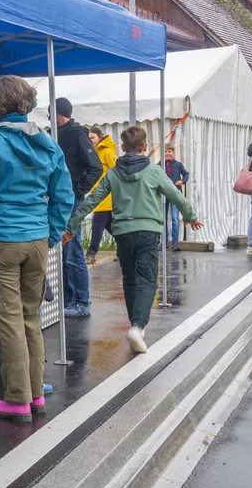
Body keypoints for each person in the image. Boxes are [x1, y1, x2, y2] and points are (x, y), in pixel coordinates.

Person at [0, 76, 74, 421]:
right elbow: (64, 195)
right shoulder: (48, 143)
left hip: (0, 240)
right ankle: (35, 394)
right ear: (27, 103)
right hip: (37, 240)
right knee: (30, 318)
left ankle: (16, 399)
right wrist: (52, 233)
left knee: (8, 320)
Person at [64, 127, 202, 356]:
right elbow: (175, 195)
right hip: (148, 231)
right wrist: (190, 216)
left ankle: (134, 325)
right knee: (147, 279)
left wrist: (71, 228)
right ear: (146, 147)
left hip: (123, 232)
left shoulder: (113, 173)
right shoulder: (154, 171)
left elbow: (91, 201)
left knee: (129, 279)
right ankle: (138, 327)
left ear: (123, 148)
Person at [54, 97, 103, 319]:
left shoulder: (76, 134)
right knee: (63, 251)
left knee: (72, 251)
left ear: (59, 114)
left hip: (72, 200)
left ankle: (81, 301)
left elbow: (95, 167)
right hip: (58, 199)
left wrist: (78, 190)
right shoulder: (55, 134)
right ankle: (68, 298)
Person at [86, 126, 116, 264]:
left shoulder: (107, 152)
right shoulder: (94, 152)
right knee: (109, 226)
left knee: (97, 224)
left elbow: (117, 170)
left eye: (92, 137)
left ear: (100, 137)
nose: (90, 140)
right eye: (89, 137)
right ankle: (124, 249)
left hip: (106, 195)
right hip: (99, 194)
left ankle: (91, 253)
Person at [162, 144, 189, 250]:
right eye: (165, 151)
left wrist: (182, 181)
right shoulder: (160, 165)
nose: (167, 153)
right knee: (162, 219)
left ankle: (175, 243)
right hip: (164, 194)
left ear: (173, 153)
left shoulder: (178, 164)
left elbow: (186, 174)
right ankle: (163, 242)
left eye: (169, 151)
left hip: (175, 194)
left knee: (175, 218)